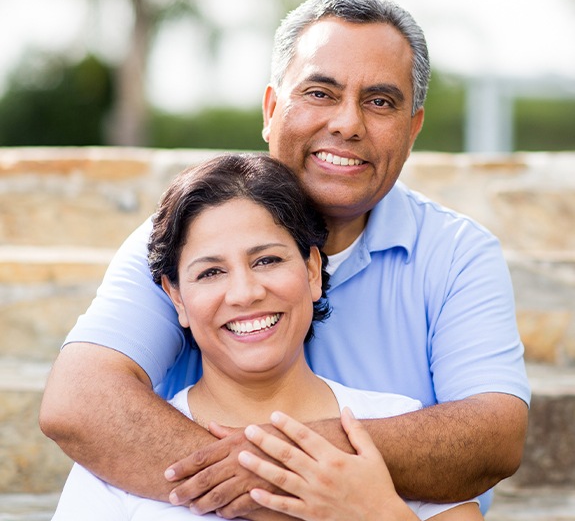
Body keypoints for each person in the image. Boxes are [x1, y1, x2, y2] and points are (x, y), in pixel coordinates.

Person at [40, 0, 530, 517]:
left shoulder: (457, 254)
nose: (347, 124)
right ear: (272, 110)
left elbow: (494, 434)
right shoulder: (187, 235)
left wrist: (295, 473)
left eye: (381, 102)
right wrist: (284, 498)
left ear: (413, 129)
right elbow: (80, 400)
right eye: (320, 92)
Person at [52, 153, 482, 520]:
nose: (245, 293)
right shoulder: (118, 456)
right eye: (211, 272)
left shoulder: (395, 426)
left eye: (267, 260)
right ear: (176, 299)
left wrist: (379, 512)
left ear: (313, 271)